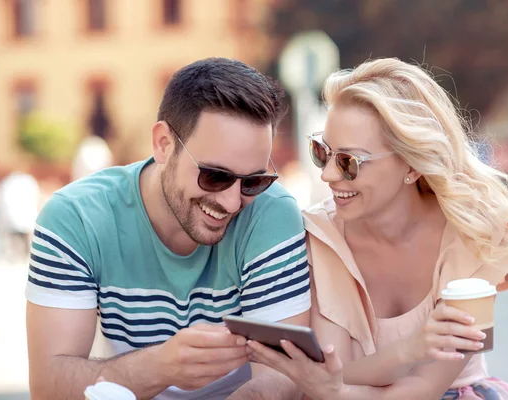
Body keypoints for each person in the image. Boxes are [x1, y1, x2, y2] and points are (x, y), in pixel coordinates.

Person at [246, 58, 508, 399]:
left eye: (349, 162)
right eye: (322, 152)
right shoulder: (318, 236)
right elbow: (335, 372)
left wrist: (340, 391)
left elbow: (423, 387)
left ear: (412, 164)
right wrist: (412, 349)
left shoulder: (473, 235)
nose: (328, 175)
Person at [26, 58, 311, 400]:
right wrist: (161, 366)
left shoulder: (271, 212)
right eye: (215, 175)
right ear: (163, 144)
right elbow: (48, 385)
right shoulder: (76, 219)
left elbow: (283, 377)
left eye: (253, 181)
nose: (234, 202)